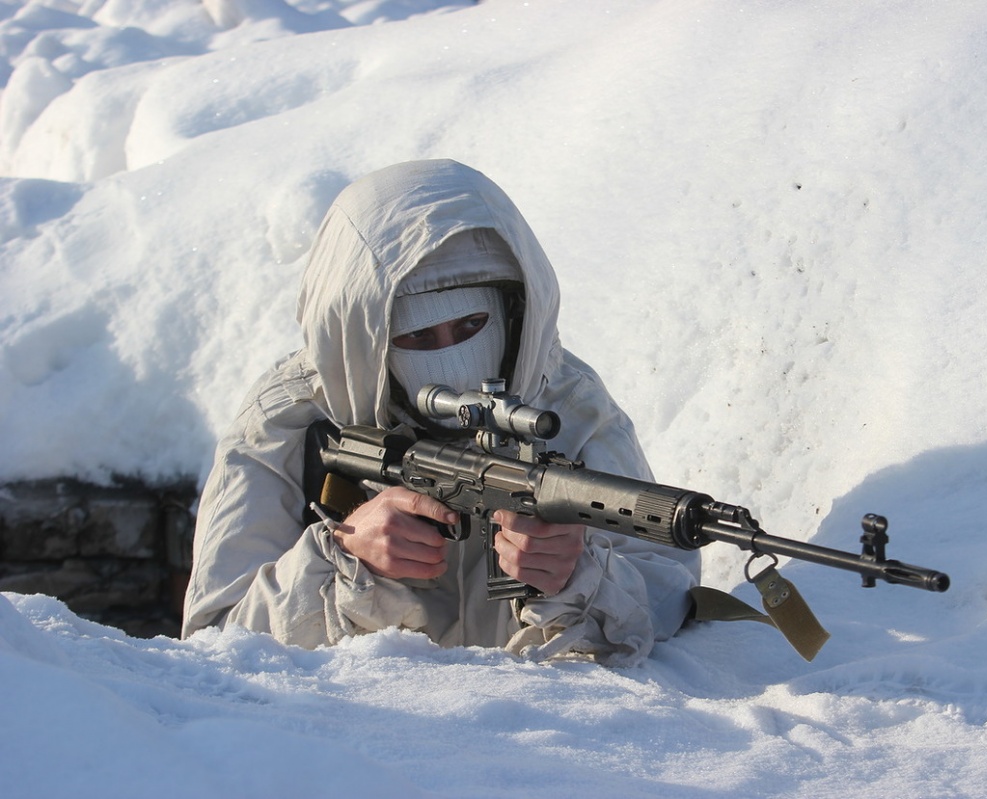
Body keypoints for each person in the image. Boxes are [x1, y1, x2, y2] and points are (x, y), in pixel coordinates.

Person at [182, 159, 700, 666]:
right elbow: (212, 647)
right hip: (346, 741)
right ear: (372, 342)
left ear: (512, 313)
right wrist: (344, 558)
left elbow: (670, 590)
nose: (452, 358)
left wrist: (581, 577)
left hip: (538, 733)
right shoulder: (288, 422)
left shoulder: (566, 403)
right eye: (418, 338)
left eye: (472, 325)